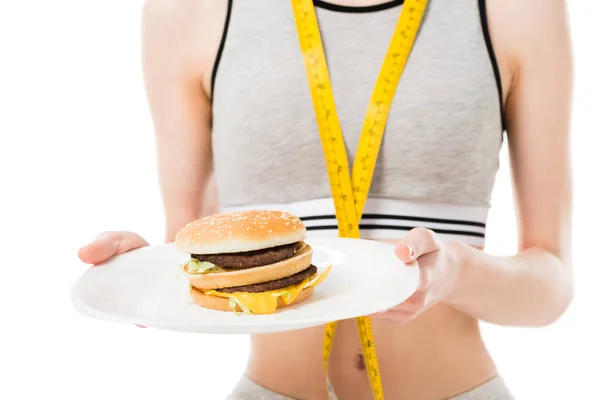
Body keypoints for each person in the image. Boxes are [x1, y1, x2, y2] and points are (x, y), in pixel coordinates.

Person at [78, 0, 574, 399]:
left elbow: (551, 282)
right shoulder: (185, 12)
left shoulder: (517, 9)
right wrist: (143, 272)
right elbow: (190, 251)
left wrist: (459, 271)